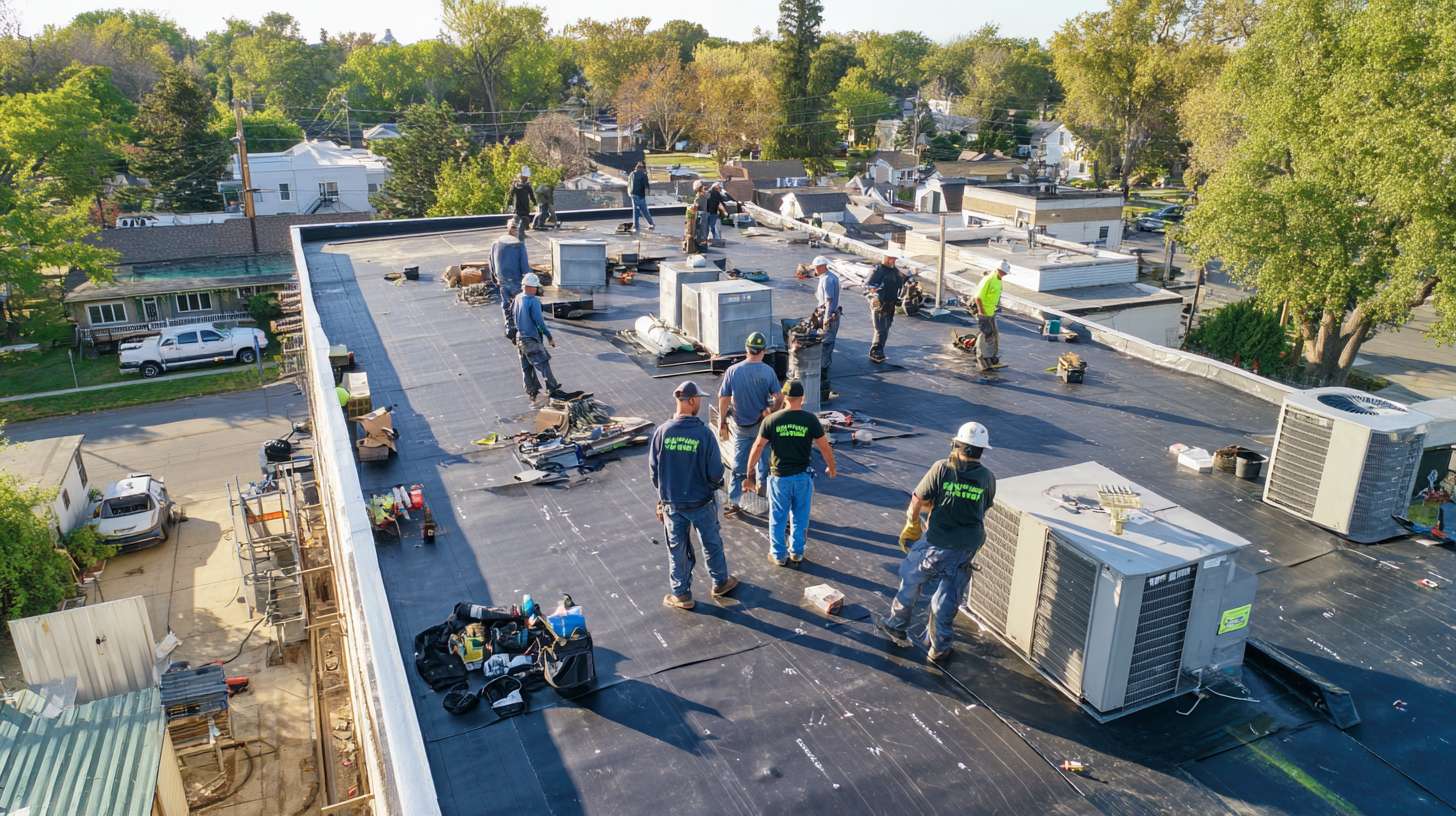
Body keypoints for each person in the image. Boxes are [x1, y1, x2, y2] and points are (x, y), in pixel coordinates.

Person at [876, 421, 996, 663]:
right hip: (966, 547)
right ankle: (940, 647)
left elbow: (918, 499)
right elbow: (983, 507)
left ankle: (897, 624)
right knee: (948, 595)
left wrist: (911, 524)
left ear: (956, 444)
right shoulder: (987, 477)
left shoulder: (942, 468)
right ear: (982, 450)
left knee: (910, 575)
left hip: (937, 542)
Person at [649, 380, 740, 609]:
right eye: (698, 399)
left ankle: (681, 594)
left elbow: (654, 471)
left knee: (676, 548)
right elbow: (716, 472)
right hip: (701, 502)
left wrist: (662, 499)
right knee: (711, 542)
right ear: (690, 401)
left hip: (673, 504)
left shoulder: (662, 432)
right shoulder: (703, 434)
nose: (700, 402)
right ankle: (720, 582)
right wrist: (711, 486)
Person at [745, 380, 836, 567]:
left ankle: (778, 555)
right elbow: (824, 446)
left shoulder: (771, 420)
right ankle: (797, 552)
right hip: (803, 477)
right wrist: (831, 467)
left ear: (784, 398)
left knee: (778, 518)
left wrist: (750, 474)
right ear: (802, 398)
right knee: (800, 517)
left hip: (780, 479)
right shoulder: (810, 420)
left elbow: (758, 446)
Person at [716, 332, 781, 517]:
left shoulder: (733, 371)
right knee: (765, 463)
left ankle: (735, 502)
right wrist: (772, 412)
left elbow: (724, 398)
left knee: (739, 466)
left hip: (742, 427)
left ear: (746, 349)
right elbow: (779, 397)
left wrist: (722, 421)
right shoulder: (768, 372)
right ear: (763, 351)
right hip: (763, 427)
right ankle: (763, 494)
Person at [513, 272, 568, 404]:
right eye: (536, 287)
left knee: (526, 368)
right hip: (530, 339)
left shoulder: (518, 298)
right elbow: (539, 322)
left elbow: (512, 316)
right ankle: (553, 389)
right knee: (543, 364)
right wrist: (549, 337)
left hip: (520, 338)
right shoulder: (533, 301)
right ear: (531, 287)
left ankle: (531, 392)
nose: (537, 289)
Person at [490, 222, 529, 341]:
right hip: (515, 280)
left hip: (502, 279)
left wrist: (494, 277)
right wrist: (531, 281)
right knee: (519, 304)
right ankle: (521, 328)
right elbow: (525, 267)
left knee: (506, 303)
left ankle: (509, 326)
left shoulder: (496, 243)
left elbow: (491, 261)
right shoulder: (519, 245)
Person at [865, 252, 906, 364]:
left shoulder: (894, 270)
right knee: (880, 328)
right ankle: (876, 351)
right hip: (880, 304)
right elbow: (868, 285)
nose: (894, 261)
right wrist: (875, 296)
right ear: (887, 258)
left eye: (895, 259)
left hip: (890, 303)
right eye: (892, 259)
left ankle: (880, 350)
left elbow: (899, 282)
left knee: (886, 328)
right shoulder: (878, 270)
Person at [811, 256, 841, 401]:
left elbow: (829, 300)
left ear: (822, 266)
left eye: (816, 267)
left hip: (828, 316)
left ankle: (823, 374)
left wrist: (826, 319)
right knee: (826, 343)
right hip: (825, 314)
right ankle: (824, 369)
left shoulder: (828, 279)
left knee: (826, 343)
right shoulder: (828, 277)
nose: (815, 269)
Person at [973, 261, 1009, 372]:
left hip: (991, 312)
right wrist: (981, 312)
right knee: (985, 335)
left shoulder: (998, 280)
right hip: (984, 313)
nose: (1004, 274)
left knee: (994, 335)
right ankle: (981, 360)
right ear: (998, 269)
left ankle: (991, 357)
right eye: (1003, 272)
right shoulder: (989, 279)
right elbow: (978, 297)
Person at [629, 161, 655, 233]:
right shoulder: (643, 175)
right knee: (644, 210)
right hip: (640, 196)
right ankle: (651, 223)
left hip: (633, 195)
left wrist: (630, 193)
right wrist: (647, 192)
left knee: (636, 210)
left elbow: (629, 184)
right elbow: (646, 185)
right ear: (642, 168)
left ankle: (636, 226)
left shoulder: (632, 174)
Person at [508, 167, 536, 234]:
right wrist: (535, 203)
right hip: (524, 206)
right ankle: (520, 231)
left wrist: (510, 204)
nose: (526, 178)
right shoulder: (527, 186)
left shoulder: (516, 185)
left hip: (519, 206)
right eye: (526, 177)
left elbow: (511, 195)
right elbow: (532, 196)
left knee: (519, 218)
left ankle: (519, 230)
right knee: (523, 219)